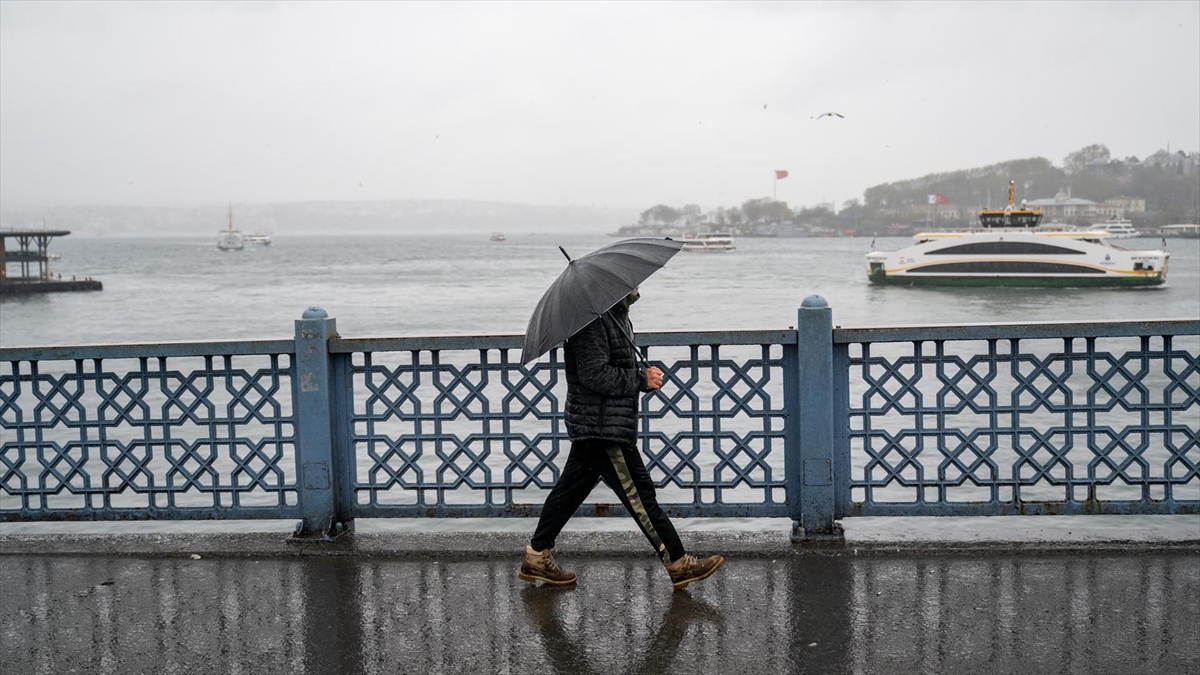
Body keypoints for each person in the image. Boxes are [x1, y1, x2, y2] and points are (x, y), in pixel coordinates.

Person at [520, 287, 724, 591]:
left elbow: (610, 365)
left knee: (568, 494)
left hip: (602, 424)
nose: (637, 288)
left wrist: (638, 374)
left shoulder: (614, 317)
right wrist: (639, 380)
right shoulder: (591, 323)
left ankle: (537, 555)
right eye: (631, 285)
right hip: (604, 429)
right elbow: (593, 374)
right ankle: (679, 563)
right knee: (641, 496)